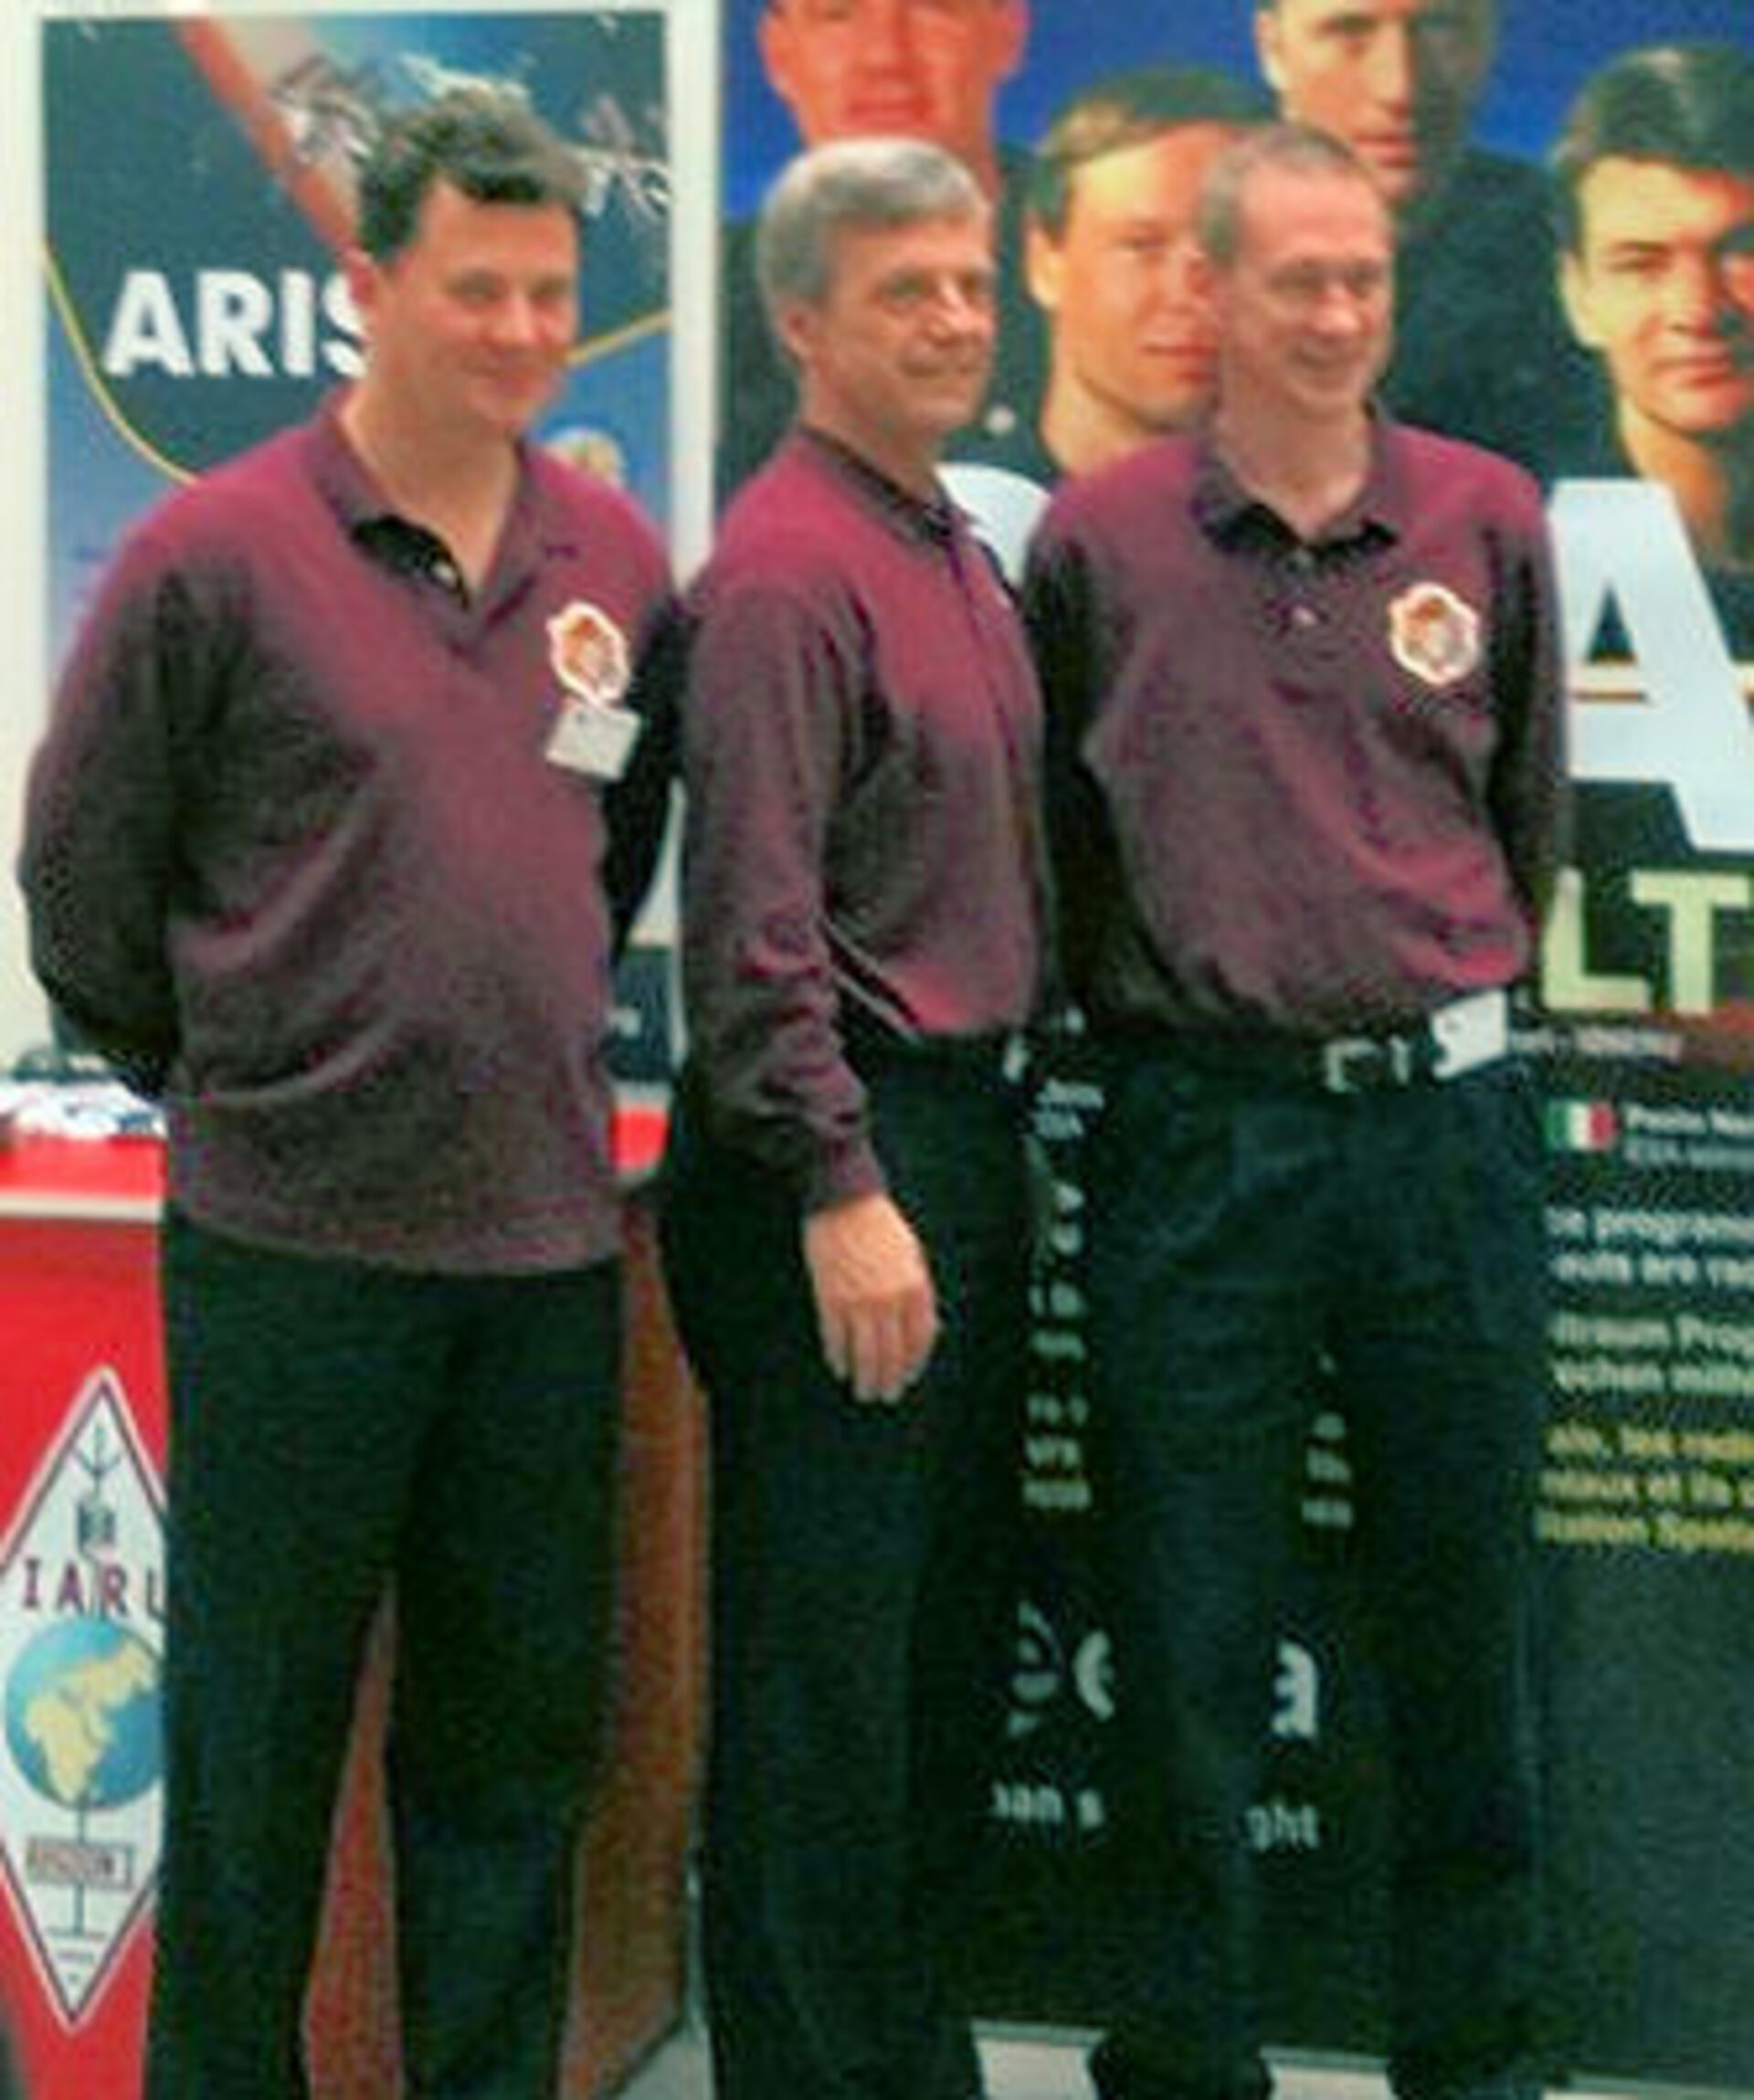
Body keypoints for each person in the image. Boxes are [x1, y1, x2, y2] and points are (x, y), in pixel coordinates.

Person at [19, 89, 679, 2100]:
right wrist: (238, 1067)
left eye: (548, 292)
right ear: (367, 284)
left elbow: (614, 842)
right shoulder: (211, 559)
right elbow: (79, 881)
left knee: (505, 1762)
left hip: (540, 1261)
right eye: (474, 287)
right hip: (293, 1258)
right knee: (256, 1759)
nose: (514, 329)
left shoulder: (614, 557)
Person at [1024, 123, 1564, 2100]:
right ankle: (1183, 2060)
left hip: (1447, 1145)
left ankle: (1478, 2059)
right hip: (1200, 1146)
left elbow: (1529, 838)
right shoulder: (1099, 541)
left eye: (1366, 280)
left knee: (1469, 1627)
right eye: (1298, 281)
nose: (1337, 315)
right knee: (1186, 1645)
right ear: (1217, 295)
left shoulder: (1489, 519)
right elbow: (1061, 851)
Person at [660, 137, 1043, 2100]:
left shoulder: (942, 539)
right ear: (801, 321)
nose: (960, 321)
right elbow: (751, 927)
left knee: (929, 1665)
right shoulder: (789, 575)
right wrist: (837, 1179)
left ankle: (902, 2060)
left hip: (957, 1153)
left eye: (974, 285)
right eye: (911, 292)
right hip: (846, 1169)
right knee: (826, 1682)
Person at [1253, 0, 1593, 478]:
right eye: (1349, 31)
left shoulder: (1581, 242)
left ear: (1488, 40)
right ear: (1273, 49)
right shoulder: (1178, 243)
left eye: (1440, 28)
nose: (1401, 86)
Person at [720, 0, 1039, 491]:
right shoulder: (700, 303)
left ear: (1007, 33)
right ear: (778, 53)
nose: (885, 59)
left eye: (934, 11)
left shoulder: (1114, 264)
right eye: (838, 14)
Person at [957, 65, 1267, 486]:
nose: (1191, 294)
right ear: (1045, 260)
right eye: (1143, 246)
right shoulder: (940, 538)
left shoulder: (1353, 530)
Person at [1553, 43, 1754, 577]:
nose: (1698, 310)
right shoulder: (1502, 561)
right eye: (1642, 265)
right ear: (1578, 297)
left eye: (1743, 253)